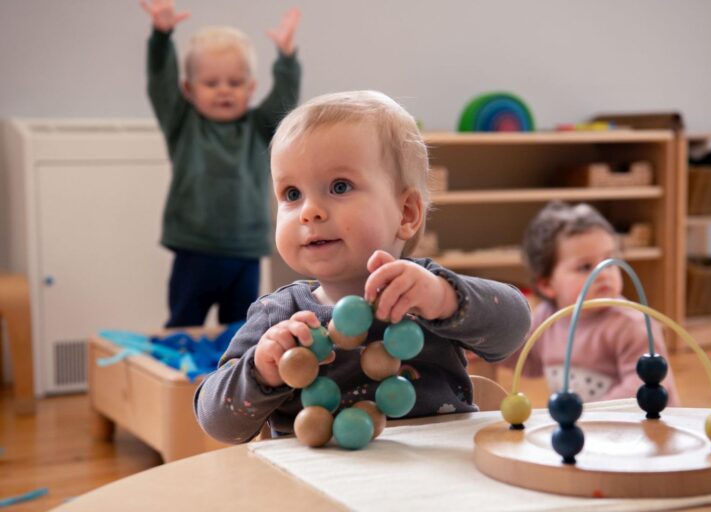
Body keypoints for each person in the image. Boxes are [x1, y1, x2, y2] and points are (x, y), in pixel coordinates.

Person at [194, 90, 532, 443]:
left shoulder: (427, 293)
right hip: (316, 487)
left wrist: (445, 300)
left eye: (340, 186)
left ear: (406, 213)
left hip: (434, 481)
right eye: (292, 194)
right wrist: (261, 369)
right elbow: (216, 423)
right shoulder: (278, 317)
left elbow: (515, 328)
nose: (310, 211)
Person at [140, 0, 301, 327]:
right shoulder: (182, 123)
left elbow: (285, 99)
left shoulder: (258, 128)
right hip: (194, 249)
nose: (224, 91)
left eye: (235, 83)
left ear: (251, 88)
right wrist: (161, 36)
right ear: (188, 89)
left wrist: (286, 60)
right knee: (184, 324)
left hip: (245, 253)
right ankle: (183, 378)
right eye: (212, 84)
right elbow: (160, 80)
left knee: (241, 330)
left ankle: (233, 379)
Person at [501, 201, 680, 404]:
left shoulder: (632, 325)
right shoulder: (546, 317)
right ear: (547, 284)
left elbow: (643, 386)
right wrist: (487, 350)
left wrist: (589, 415)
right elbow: (529, 360)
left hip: (641, 428)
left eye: (609, 260)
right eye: (585, 267)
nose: (603, 274)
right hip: (585, 428)